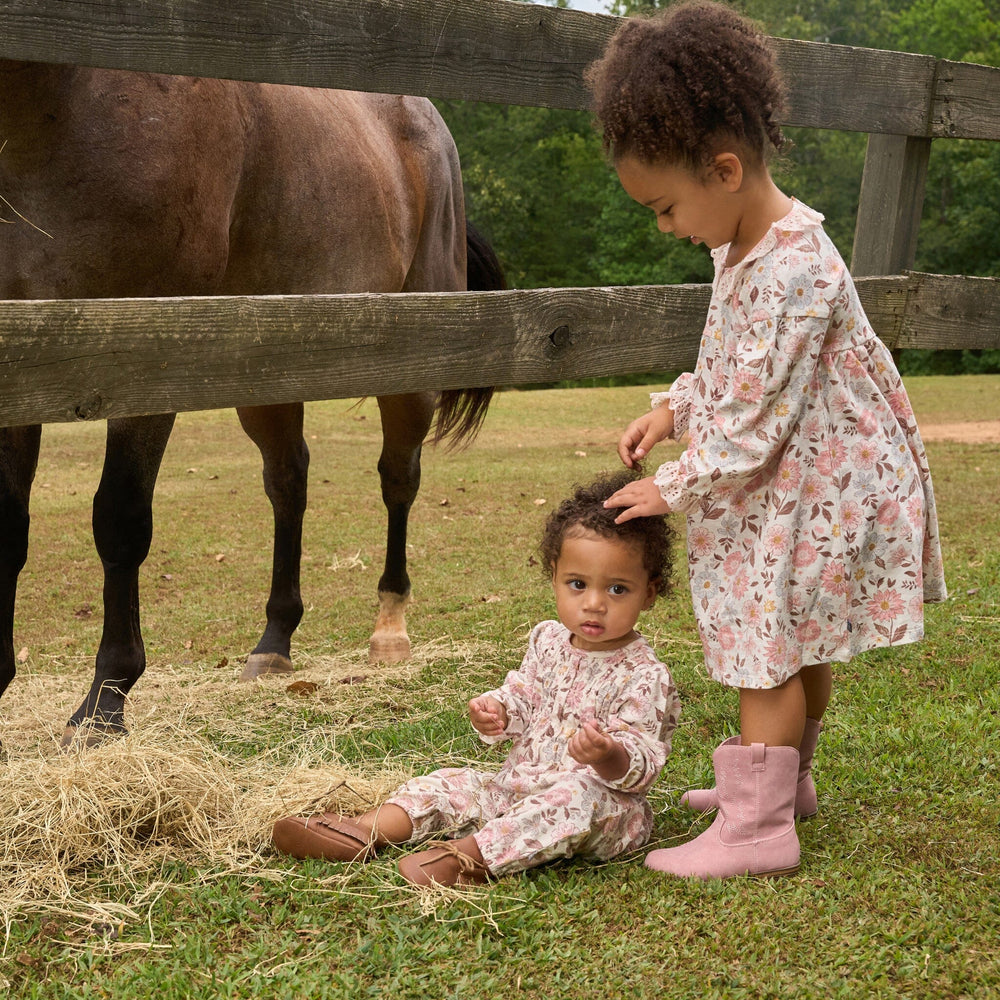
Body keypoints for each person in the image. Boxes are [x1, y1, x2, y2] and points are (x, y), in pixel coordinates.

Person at [586, 1, 947, 880]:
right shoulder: (747, 248)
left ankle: (757, 830)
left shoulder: (791, 268)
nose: (664, 228)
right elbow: (733, 370)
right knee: (800, 635)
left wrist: (672, 485)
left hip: (817, 485)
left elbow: (748, 431)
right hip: (812, 476)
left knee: (768, 645)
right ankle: (782, 785)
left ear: (725, 168)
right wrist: (676, 406)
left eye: (666, 207)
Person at [271, 470, 681, 887]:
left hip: (601, 808)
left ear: (649, 592)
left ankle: (466, 858)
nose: (593, 604)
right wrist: (499, 710)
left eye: (617, 590)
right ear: (554, 575)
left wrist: (607, 753)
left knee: (576, 799)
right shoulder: (548, 640)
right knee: (452, 782)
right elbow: (524, 695)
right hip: (512, 790)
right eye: (577, 584)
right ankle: (362, 829)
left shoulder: (644, 675)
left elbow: (642, 762)